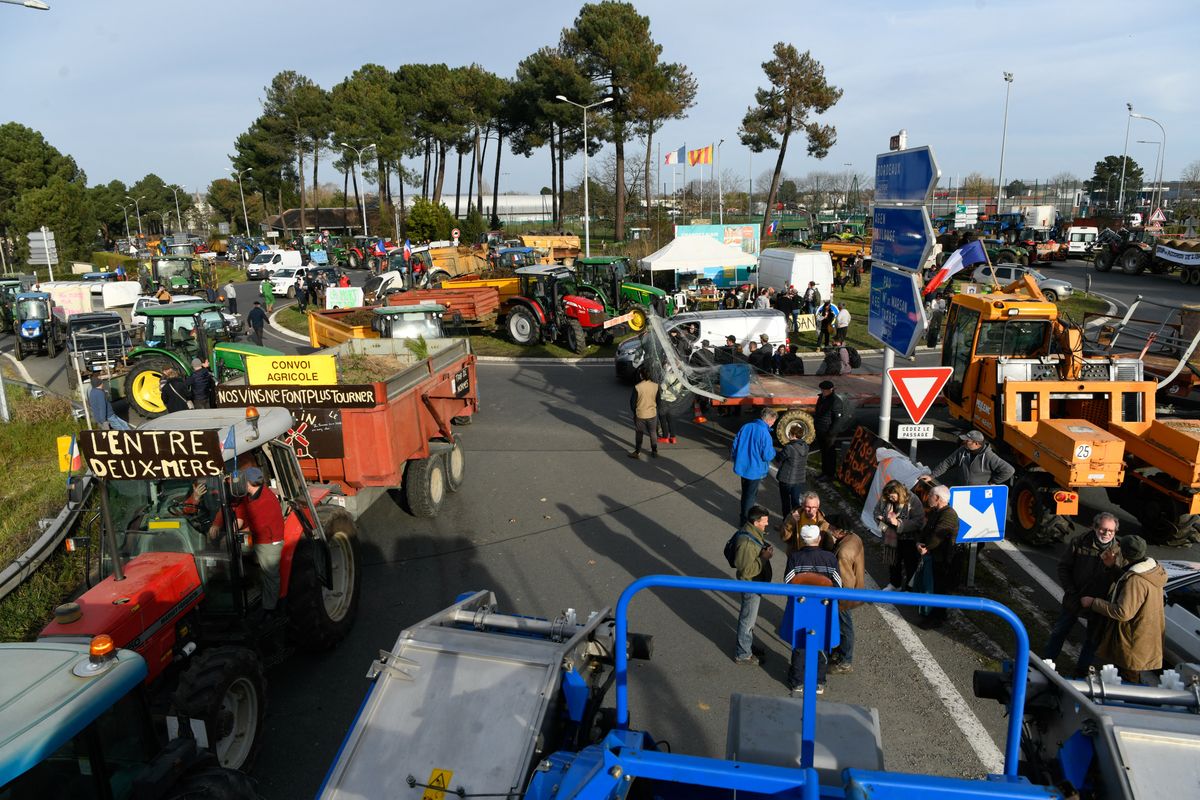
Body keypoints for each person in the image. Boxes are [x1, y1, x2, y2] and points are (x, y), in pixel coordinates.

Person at [1043, 512, 1123, 673]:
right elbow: (1064, 567)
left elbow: (1121, 579)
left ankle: (1081, 672)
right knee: (1059, 631)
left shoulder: (1120, 551)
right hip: (1075, 599)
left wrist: (1111, 567)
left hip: (1099, 604)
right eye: (1103, 529)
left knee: (1093, 640)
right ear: (1094, 527)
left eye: (1111, 531)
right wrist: (1072, 592)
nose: (1106, 534)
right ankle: (1046, 664)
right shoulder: (1079, 542)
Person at [1082, 535, 1166, 685]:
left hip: (1132, 641)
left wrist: (1093, 602)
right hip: (1143, 636)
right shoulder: (1150, 570)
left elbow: (1123, 612)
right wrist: (1112, 568)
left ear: (1125, 554)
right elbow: (1130, 585)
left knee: (1129, 681)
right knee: (1129, 676)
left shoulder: (1136, 580)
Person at [782, 524, 841, 695]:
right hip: (823, 608)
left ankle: (797, 682)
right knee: (821, 642)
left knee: (800, 643)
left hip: (801, 607)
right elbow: (838, 585)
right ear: (819, 539)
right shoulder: (830, 558)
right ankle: (819, 682)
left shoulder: (795, 557)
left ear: (802, 539)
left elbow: (787, 582)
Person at [223, 466, 286, 614]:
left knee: (271, 576)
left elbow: (259, 528)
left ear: (250, 483)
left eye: (244, 481)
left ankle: (270, 609)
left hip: (269, 543)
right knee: (231, 551)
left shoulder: (267, 501)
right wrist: (233, 528)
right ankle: (246, 586)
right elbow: (241, 512)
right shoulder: (249, 496)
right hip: (256, 538)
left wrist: (236, 533)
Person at [732, 504, 774, 665]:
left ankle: (746, 644)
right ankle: (743, 654)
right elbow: (746, 571)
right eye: (764, 521)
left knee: (750, 618)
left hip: (755, 584)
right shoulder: (747, 543)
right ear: (756, 522)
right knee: (747, 619)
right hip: (751, 585)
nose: (767, 524)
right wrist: (764, 558)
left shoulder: (752, 532)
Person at [915, 485, 960, 628]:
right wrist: (920, 542)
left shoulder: (949, 515)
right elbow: (927, 529)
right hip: (934, 556)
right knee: (932, 585)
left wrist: (926, 548)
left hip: (943, 559)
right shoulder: (937, 511)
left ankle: (937, 617)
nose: (928, 498)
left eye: (930, 496)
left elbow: (937, 537)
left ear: (938, 498)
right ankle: (930, 612)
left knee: (938, 588)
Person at [873, 479, 926, 591]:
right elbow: (876, 512)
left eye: (893, 497)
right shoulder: (885, 498)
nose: (890, 499)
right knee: (893, 562)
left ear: (899, 493)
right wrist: (883, 526)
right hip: (890, 536)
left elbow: (919, 521)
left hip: (909, 538)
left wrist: (898, 524)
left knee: (910, 564)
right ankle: (894, 584)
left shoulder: (913, 500)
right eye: (889, 497)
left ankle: (909, 589)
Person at [731, 408, 778, 526]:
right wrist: (774, 452)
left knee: (745, 493)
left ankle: (743, 516)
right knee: (750, 497)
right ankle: (746, 522)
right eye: (773, 421)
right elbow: (767, 455)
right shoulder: (765, 434)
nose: (773, 423)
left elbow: (735, 445)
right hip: (755, 470)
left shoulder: (746, 426)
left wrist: (736, 458)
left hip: (743, 467)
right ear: (769, 420)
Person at [829, 516, 864, 673]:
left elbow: (846, 581)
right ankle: (840, 652)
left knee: (845, 626)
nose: (829, 529)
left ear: (840, 531)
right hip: (855, 589)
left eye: (832, 527)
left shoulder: (843, 552)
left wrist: (840, 601)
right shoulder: (854, 538)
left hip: (844, 595)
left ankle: (845, 661)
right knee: (843, 626)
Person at [928, 430, 1015, 488]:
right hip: (963, 491)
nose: (964, 442)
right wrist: (931, 476)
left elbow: (1009, 470)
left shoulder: (990, 456)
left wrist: (992, 482)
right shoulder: (962, 450)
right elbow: (947, 463)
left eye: (967, 441)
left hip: (979, 493)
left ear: (976, 443)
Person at [813, 380, 848, 481]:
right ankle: (824, 472)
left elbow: (838, 419)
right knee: (824, 452)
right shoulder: (822, 398)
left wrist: (831, 433)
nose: (823, 391)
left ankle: (829, 474)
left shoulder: (835, 401)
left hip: (829, 432)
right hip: (821, 430)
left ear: (831, 390)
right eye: (822, 390)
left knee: (829, 454)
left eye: (825, 390)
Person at [775, 426, 809, 519]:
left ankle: (786, 524)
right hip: (799, 479)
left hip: (786, 479)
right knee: (795, 503)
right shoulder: (806, 446)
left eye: (790, 433)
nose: (788, 435)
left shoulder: (789, 448)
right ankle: (797, 524)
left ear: (793, 435)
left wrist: (775, 452)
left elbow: (779, 458)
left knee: (786, 503)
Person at [629, 365, 660, 459]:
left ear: (641, 375)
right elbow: (658, 401)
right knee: (653, 432)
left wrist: (635, 412)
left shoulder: (637, 387)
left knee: (639, 433)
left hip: (640, 414)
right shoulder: (655, 386)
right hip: (652, 413)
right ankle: (654, 451)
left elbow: (632, 403)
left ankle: (637, 451)